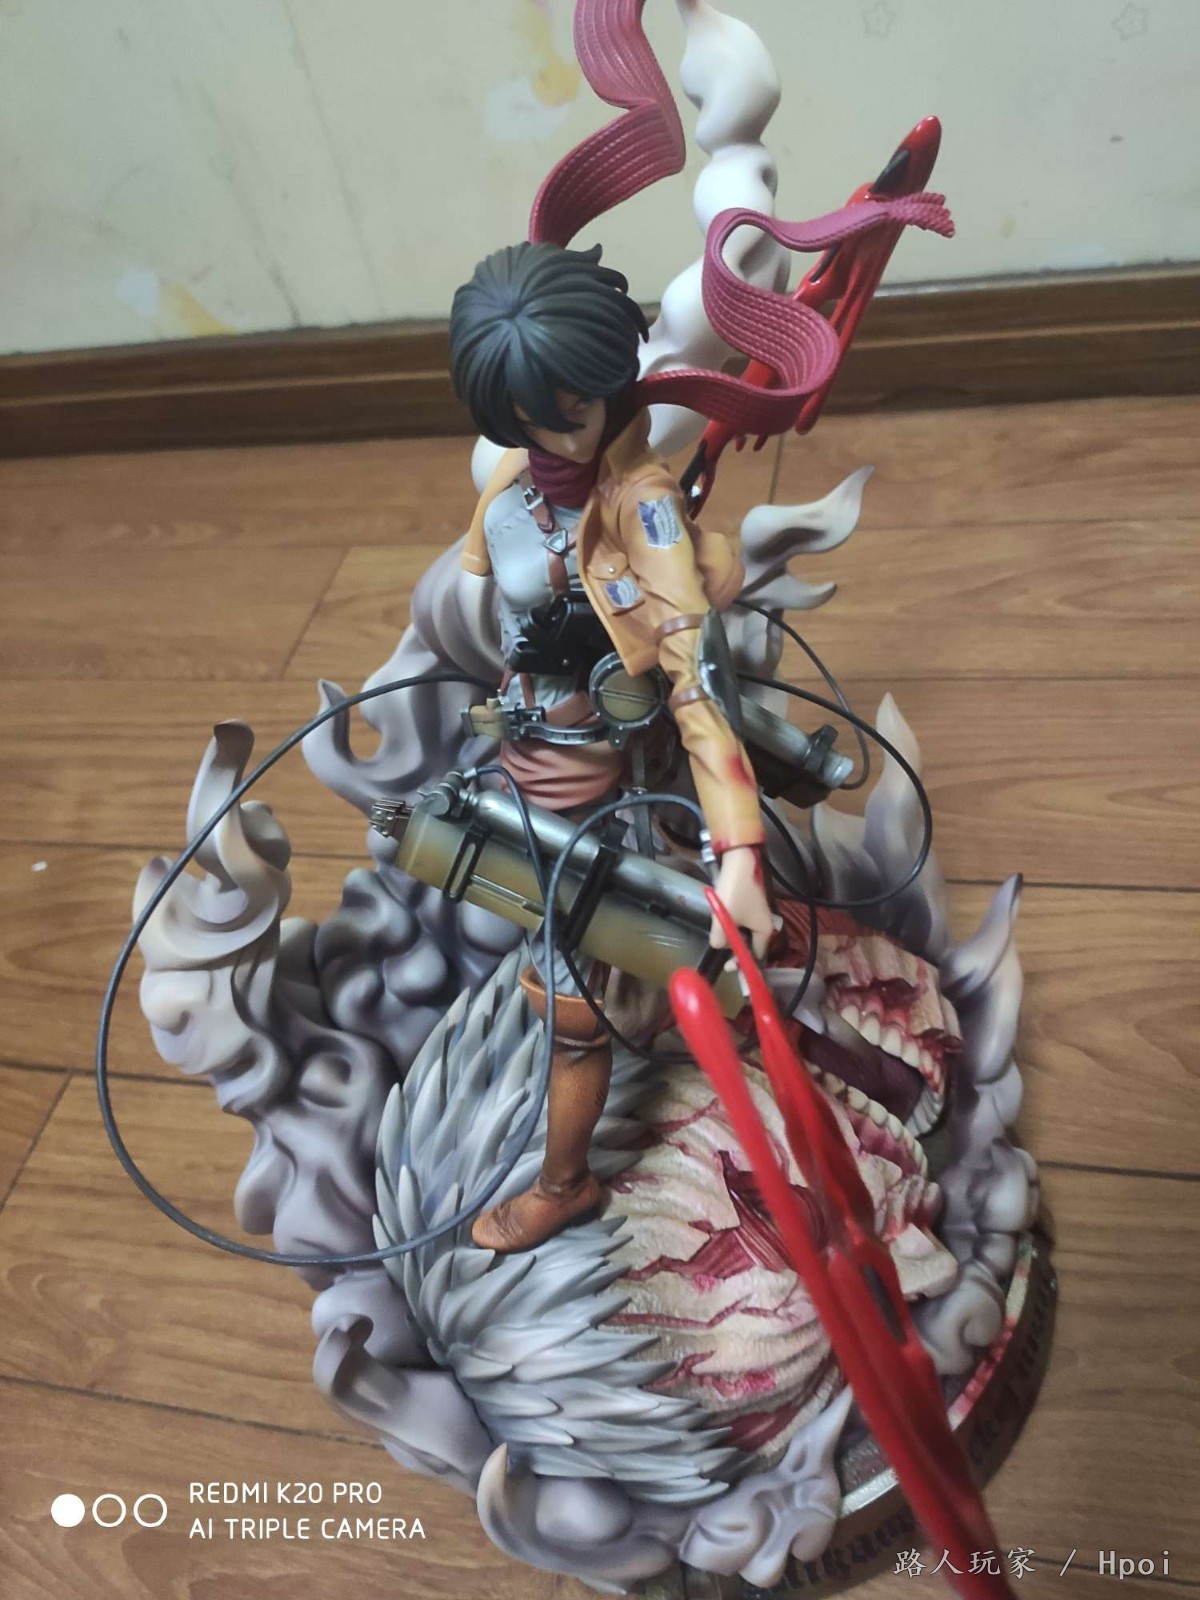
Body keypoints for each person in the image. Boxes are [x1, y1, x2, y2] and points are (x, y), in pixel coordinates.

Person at [450, 239, 774, 1253]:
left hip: (605, 786)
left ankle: (565, 1183)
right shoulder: (514, 476)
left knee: (572, 1011)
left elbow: (697, 677)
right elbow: (488, 602)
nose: (552, 434)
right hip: (522, 752)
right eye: (524, 418)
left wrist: (743, 852)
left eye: (569, 410)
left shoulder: (645, 509)